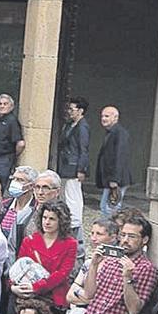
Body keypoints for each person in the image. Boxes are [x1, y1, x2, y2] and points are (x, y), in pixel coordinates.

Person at [13, 204, 77, 311]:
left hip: (53, 298)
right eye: (44, 217)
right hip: (26, 297)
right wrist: (14, 287)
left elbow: (62, 273)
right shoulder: (29, 240)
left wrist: (36, 287)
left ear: (61, 221)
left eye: (52, 219)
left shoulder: (70, 244)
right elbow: (19, 267)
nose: (46, 222)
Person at [55, 96, 89, 228]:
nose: (70, 112)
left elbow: (83, 149)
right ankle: (68, 219)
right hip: (66, 163)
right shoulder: (70, 125)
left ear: (80, 111)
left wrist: (81, 169)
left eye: (72, 109)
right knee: (66, 193)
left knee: (73, 194)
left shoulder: (82, 127)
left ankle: (75, 221)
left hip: (74, 165)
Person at [95, 105, 132, 214]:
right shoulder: (111, 133)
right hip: (111, 179)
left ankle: (110, 230)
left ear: (115, 118)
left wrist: (115, 180)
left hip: (117, 179)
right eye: (102, 116)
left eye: (107, 116)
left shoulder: (120, 133)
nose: (103, 119)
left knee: (110, 209)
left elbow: (120, 157)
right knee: (106, 207)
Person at [0, 93, 26, 179]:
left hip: (3, 160)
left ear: (11, 106)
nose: (2, 106)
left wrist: (12, 156)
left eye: (5, 104)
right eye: (0, 104)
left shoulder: (12, 121)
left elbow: (21, 144)